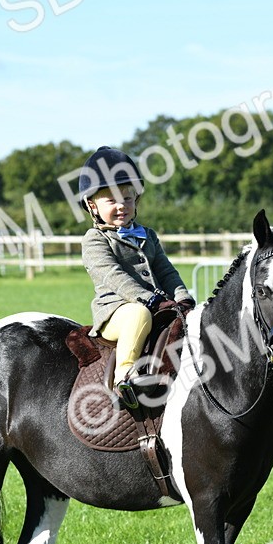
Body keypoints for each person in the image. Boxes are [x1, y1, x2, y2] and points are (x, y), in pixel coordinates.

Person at [78, 146, 193, 409]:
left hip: (157, 303)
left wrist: (183, 298)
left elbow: (166, 271)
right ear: (92, 205)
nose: (121, 206)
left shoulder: (148, 235)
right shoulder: (95, 238)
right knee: (137, 315)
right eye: (111, 201)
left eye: (127, 199)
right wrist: (147, 298)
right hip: (117, 311)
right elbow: (111, 274)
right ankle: (124, 377)